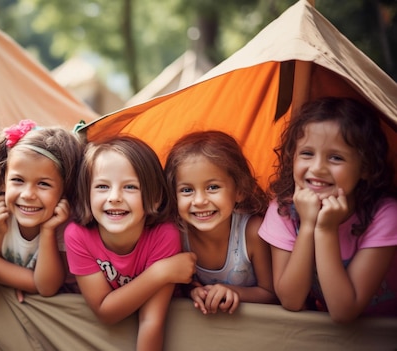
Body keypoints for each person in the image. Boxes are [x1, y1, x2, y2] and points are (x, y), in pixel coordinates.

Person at [259, 97, 397, 322]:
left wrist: (325, 230)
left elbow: (345, 311)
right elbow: (291, 301)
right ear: (292, 156)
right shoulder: (283, 209)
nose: (317, 168)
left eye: (336, 157)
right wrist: (308, 227)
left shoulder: (385, 215)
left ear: (365, 167)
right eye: (307, 153)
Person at [64, 136, 197, 351]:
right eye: (102, 186)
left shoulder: (165, 235)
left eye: (130, 187)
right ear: (86, 195)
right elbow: (105, 311)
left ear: (155, 197)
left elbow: (151, 321)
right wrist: (160, 273)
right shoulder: (77, 236)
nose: (114, 197)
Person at [0, 119, 83, 299]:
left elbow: (46, 287)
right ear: (3, 180)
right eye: (18, 180)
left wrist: (48, 231)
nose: (28, 194)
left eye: (43, 184)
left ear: (64, 190)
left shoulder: (65, 224)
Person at [164, 130, 277, 315]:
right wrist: (192, 290)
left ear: (239, 190)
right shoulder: (176, 234)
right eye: (186, 190)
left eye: (213, 187)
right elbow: (176, 285)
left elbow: (272, 294)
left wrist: (234, 292)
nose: (199, 200)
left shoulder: (253, 232)